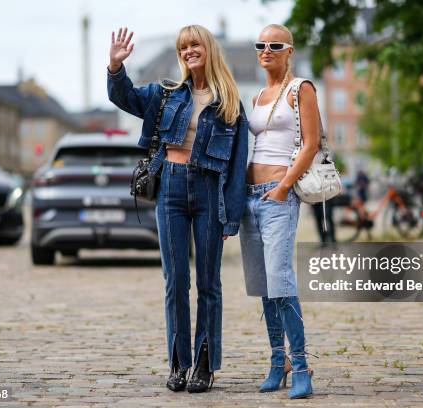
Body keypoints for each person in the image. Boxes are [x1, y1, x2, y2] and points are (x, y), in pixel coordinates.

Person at [107, 25, 248, 393]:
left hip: (208, 189)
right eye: (183, 47)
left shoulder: (230, 103)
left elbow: (236, 165)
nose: (189, 51)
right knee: (175, 283)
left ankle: (204, 363)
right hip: (169, 187)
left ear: (209, 49)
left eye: (195, 44)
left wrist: (231, 214)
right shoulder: (165, 94)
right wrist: (115, 66)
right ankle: (178, 362)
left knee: (208, 283)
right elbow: (124, 97)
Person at [239, 23, 319, 399]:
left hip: (278, 196)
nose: (266, 50)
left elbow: (311, 143)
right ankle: (277, 361)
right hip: (251, 198)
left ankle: (301, 365)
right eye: (261, 44)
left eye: (275, 44)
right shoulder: (257, 98)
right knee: (264, 287)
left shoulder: (300, 88)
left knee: (281, 281)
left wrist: (285, 187)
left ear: (289, 50)